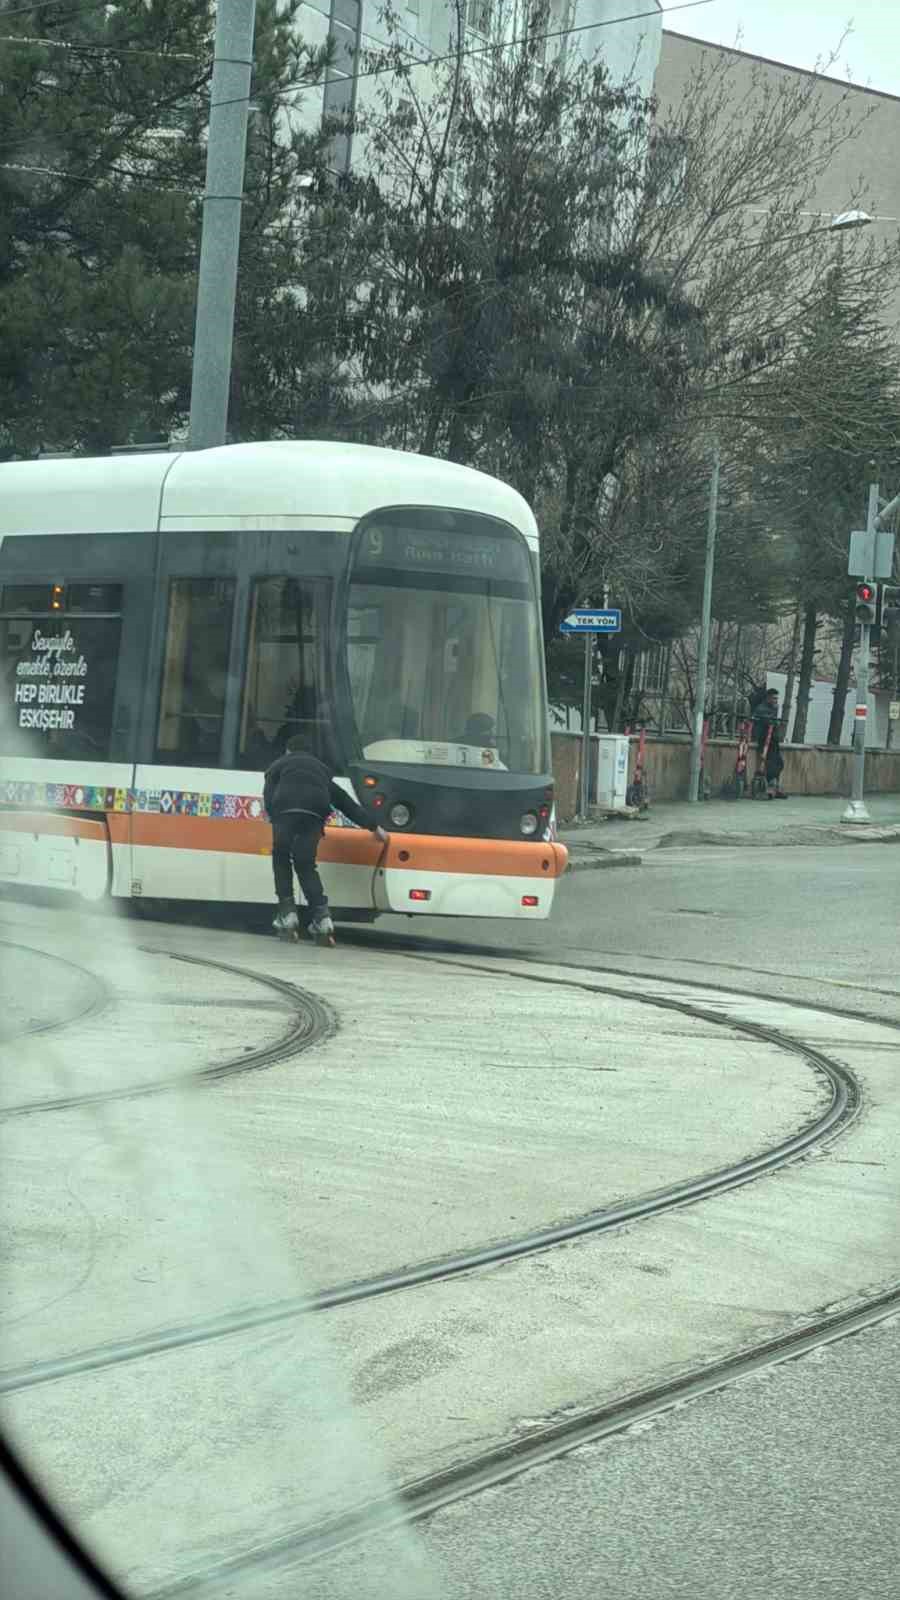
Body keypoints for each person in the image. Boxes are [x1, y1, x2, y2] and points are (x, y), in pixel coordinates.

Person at [263, 735, 388, 944]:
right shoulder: (321, 769)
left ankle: (287, 914)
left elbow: (269, 798)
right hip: (314, 814)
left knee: (281, 857)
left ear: (288, 750)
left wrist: (275, 817)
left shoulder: (279, 765)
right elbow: (345, 803)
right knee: (305, 864)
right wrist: (374, 827)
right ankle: (322, 919)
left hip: (285, 812)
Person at [752, 687, 788, 799]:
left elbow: (774, 723)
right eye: (773, 698)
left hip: (773, 739)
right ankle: (770, 788)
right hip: (765, 740)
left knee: (779, 763)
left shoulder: (774, 708)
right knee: (771, 764)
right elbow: (764, 721)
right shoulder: (761, 708)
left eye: (777, 698)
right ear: (768, 698)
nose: (776, 700)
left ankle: (774, 787)